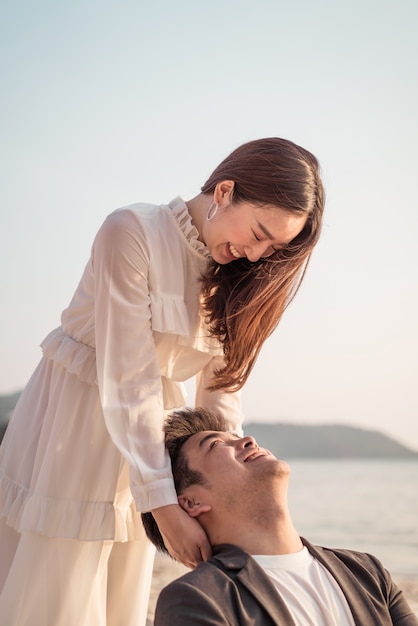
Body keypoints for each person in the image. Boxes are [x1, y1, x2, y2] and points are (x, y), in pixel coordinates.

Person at [0, 137, 324, 626]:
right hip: (73, 430)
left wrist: (219, 497)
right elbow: (128, 378)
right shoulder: (130, 231)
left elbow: (221, 398)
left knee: (120, 598)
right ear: (224, 191)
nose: (256, 255)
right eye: (259, 232)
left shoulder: (232, 274)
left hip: (155, 445)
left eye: (272, 248)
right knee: (59, 586)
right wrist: (164, 507)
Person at [142, 407, 418, 626]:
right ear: (191, 502)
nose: (248, 440)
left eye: (239, 436)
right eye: (215, 444)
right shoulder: (197, 598)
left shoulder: (367, 572)